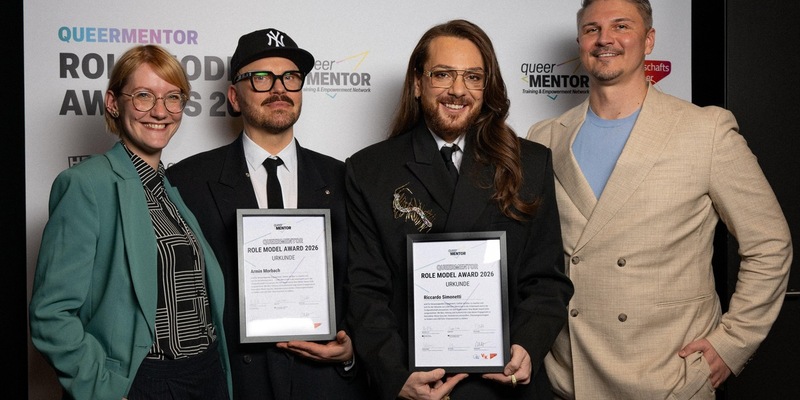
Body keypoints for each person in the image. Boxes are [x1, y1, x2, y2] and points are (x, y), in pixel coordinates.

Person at [526, 0, 793, 398]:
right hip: (569, 377)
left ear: (649, 40)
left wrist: (732, 343)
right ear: (580, 41)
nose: (605, 40)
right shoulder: (544, 136)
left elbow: (770, 244)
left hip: (669, 379)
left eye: (621, 26)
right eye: (592, 29)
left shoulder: (706, 130)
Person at [345, 19, 575, 400]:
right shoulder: (370, 170)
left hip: (505, 384)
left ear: (487, 88)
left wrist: (526, 346)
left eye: (473, 77)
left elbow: (547, 281)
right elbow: (365, 290)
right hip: (417, 385)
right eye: (443, 75)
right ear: (418, 83)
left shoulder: (530, 162)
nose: (457, 90)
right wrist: (395, 374)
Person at [165, 28, 370, 400]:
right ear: (234, 96)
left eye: (290, 77)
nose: (279, 88)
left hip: (325, 384)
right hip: (234, 386)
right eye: (261, 78)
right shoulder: (188, 181)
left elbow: (368, 283)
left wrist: (353, 350)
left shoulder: (344, 179)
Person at [29, 44, 232, 400]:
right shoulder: (86, 185)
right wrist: (103, 390)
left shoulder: (170, 189)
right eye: (142, 96)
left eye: (173, 97)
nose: (160, 110)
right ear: (112, 102)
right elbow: (51, 314)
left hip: (205, 375)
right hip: (146, 381)